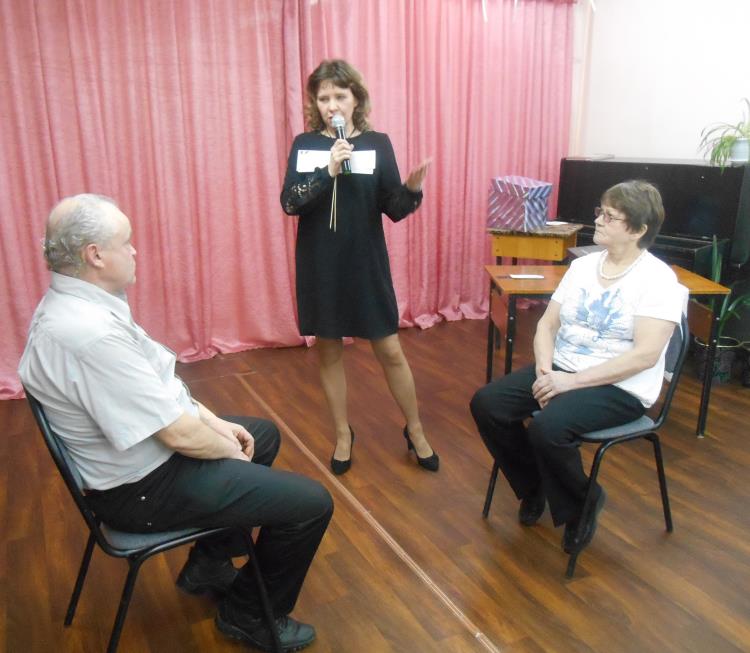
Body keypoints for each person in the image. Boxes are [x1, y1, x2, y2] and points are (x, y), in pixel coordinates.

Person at [18, 194, 333, 652]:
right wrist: (228, 451)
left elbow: (160, 382)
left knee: (260, 435)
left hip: (141, 464)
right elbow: (177, 434)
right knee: (310, 504)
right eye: (126, 242)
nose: (134, 251)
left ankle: (208, 564)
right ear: (95, 255)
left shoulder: (83, 303)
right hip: (138, 491)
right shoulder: (90, 334)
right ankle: (247, 616)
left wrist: (215, 422)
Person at [470, 180, 684, 554]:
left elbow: (645, 356)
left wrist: (571, 382)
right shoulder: (583, 266)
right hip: (561, 367)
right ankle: (534, 485)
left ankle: (584, 501)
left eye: (610, 216)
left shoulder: (658, 279)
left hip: (620, 386)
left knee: (548, 428)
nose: (598, 220)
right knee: (488, 404)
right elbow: (547, 325)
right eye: (600, 211)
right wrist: (544, 371)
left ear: (637, 230)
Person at [280, 59, 438, 475]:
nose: (332, 105)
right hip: (320, 264)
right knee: (329, 351)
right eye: (324, 97)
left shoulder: (376, 144)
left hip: (365, 263)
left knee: (390, 350)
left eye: (340, 96)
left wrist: (412, 189)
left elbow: (394, 208)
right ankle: (343, 434)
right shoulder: (305, 145)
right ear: (315, 103)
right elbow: (290, 202)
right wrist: (328, 169)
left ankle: (416, 430)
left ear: (356, 99)